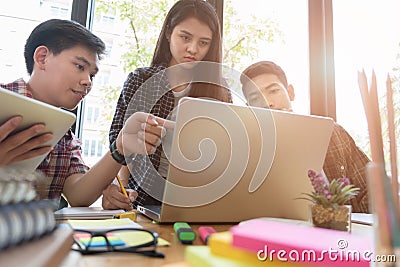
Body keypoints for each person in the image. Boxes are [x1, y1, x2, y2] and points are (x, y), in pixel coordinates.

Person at [0, 19, 169, 208]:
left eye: (92, 75)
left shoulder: (64, 133)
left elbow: (78, 195)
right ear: (42, 58)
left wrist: (120, 147)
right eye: (80, 67)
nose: (87, 81)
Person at [104, 0, 232, 210]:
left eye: (203, 42)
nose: (193, 49)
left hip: (197, 200)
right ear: (168, 33)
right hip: (144, 198)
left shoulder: (219, 89)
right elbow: (120, 146)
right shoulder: (141, 80)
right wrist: (121, 190)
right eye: (185, 37)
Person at [240, 60, 370, 213]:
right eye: (255, 98)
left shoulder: (332, 133)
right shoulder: (246, 152)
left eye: (273, 91)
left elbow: (371, 189)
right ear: (249, 107)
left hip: (341, 230)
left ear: (290, 92)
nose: (267, 103)